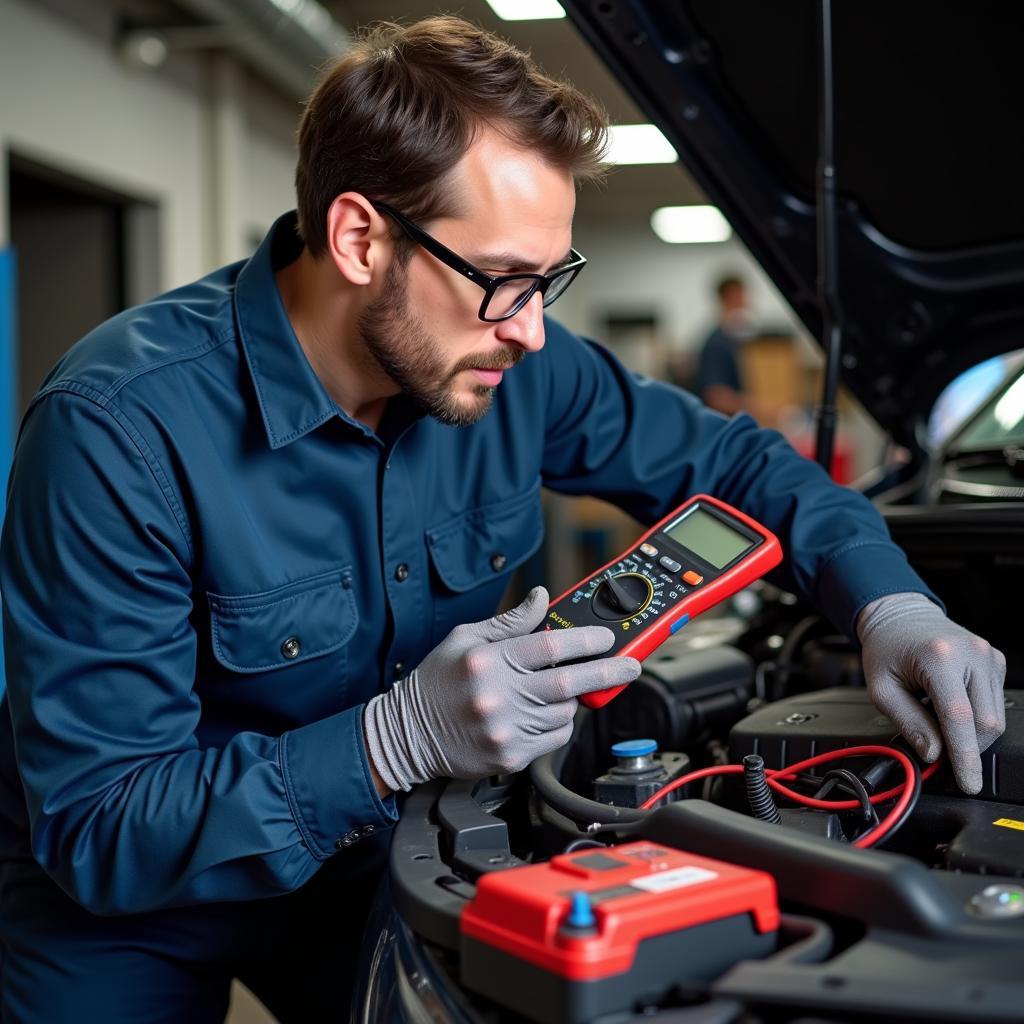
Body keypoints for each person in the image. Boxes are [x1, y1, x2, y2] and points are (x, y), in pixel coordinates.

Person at [0, 16, 1006, 1022]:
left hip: (383, 852)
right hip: (127, 900)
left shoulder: (512, 360)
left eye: (548, 280)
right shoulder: (118, 428)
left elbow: (735, 462)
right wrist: (389, 743)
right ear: (359, 238)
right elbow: (103, 827)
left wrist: (888, 604)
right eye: (503, 280)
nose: (530, 329)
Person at [695, 273, 764, 417]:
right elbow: (716, 397)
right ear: (729, 298)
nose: (746, 303)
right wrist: (762, 408)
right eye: (741, 297)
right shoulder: (717, 343)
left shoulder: (732, 339)